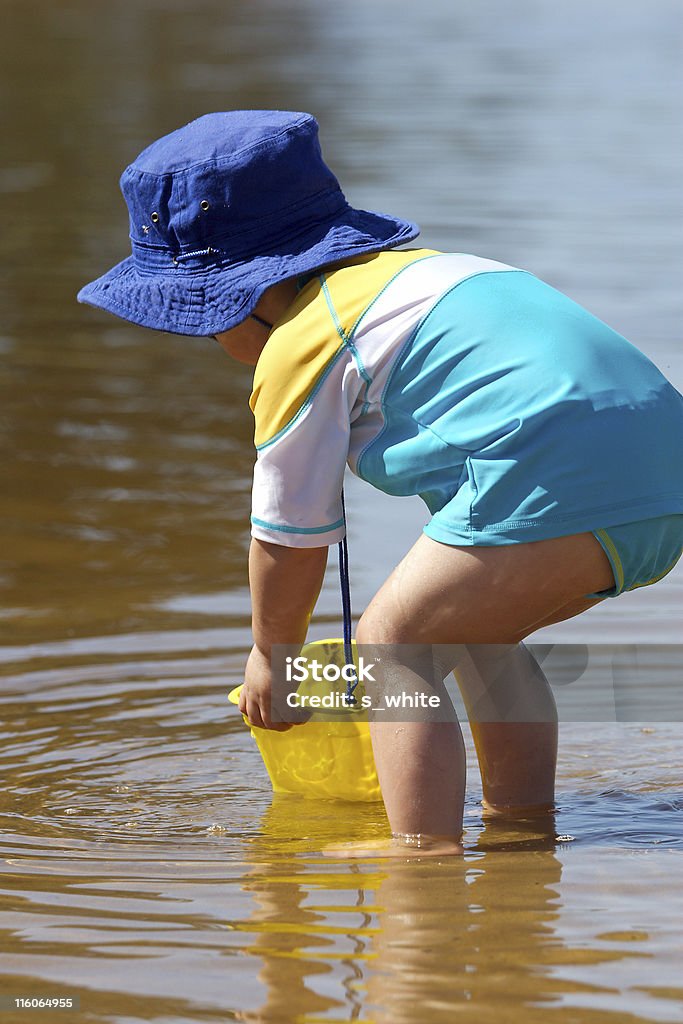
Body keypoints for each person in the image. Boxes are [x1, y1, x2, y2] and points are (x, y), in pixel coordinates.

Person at [78, 110, 683, 856]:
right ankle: (522, 826)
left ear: (238, 296)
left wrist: (273, 656)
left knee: (392, 644)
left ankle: (422, 850)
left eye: (201, 323)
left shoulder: (302, 343)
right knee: (482, 638)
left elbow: (286, 537)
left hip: (546, 470)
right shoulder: (430, 274)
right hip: (662, 474)